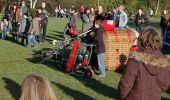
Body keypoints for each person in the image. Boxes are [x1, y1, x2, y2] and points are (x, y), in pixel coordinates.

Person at [118, 27, 170, 100]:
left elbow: (125, 84)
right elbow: (165, 84)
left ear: (142, 39)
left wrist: (122, 97)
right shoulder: (163, 60)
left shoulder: (135, 59)